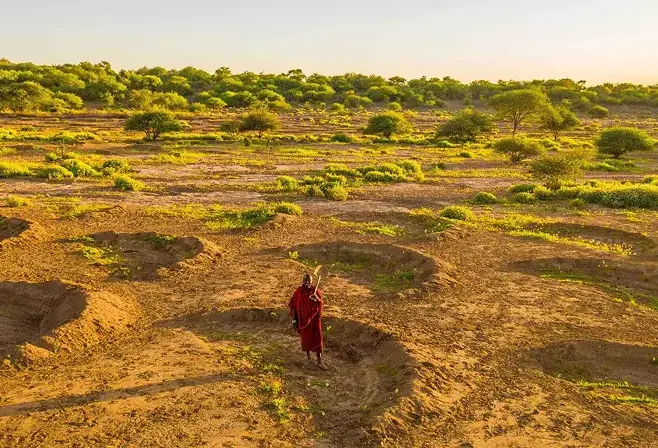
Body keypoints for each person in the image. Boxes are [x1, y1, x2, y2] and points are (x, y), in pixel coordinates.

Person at [288, 273, 327, 370]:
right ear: (302, 281)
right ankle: (308, 359)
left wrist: (317, 300)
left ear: (311, 282)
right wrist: (294, 321)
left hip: (314, 322)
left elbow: (321, 304)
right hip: (302, 321)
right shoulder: (298, 292)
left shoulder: (315, 291)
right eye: (305, 281)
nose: (306, 283)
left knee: (317, 340)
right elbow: (293, 306)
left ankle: (319, 361)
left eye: (308, 281)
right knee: (305, 341)